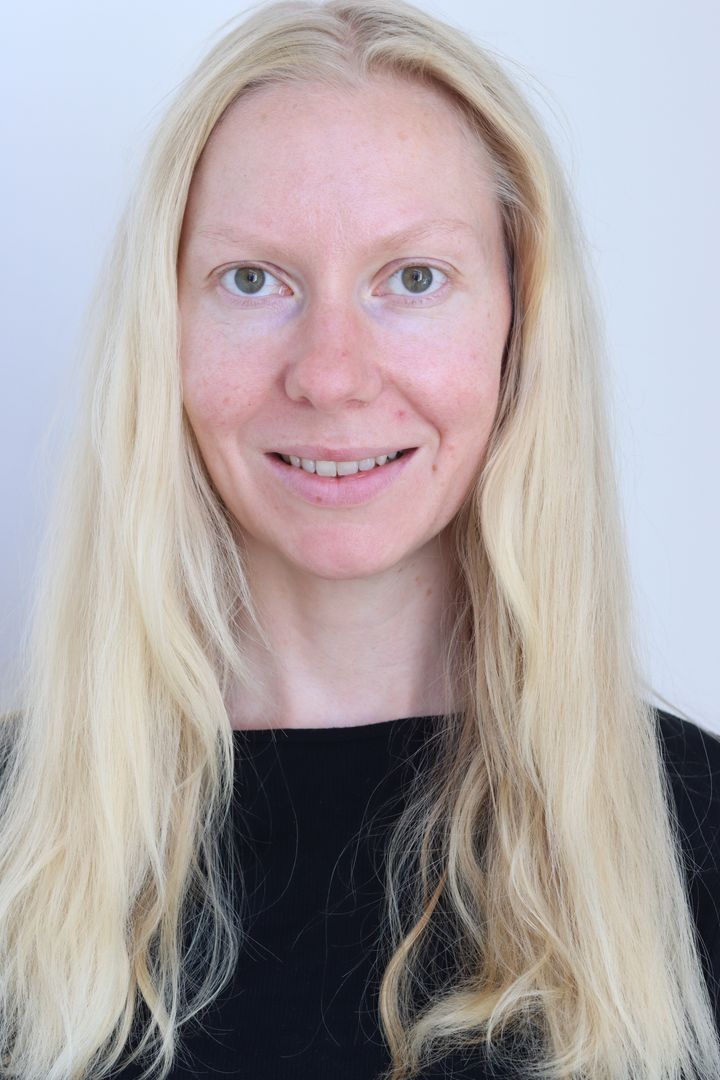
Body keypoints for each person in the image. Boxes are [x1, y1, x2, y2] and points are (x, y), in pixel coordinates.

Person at [0, 1, 718, 1077]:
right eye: (254, 279)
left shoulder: (693, 835)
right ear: (165, 329)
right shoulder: (15, 839)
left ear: (520, 327)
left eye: (413, 279)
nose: (330, 375)